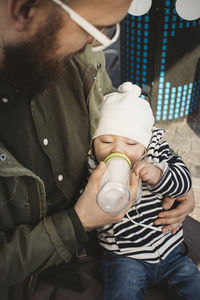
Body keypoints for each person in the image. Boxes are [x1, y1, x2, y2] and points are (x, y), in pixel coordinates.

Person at [0, 1, 195, 300]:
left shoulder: (80, 59)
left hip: (153, 240)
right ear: (23, 10)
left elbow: (124, 121)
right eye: (93, 28)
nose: (97, 44)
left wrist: (175, 181)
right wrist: (78, 222)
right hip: (40, 272)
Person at [89, 82, 200, 300]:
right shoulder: (94, 170)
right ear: (93, 142)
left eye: (131, 143)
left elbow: (184, 183)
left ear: (146, 144)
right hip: (124, 258)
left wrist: (159, 175)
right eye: (106, 141)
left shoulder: (158, 157)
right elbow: (91, 214)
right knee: (122, 293)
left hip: (171, 253)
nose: (118, 150)